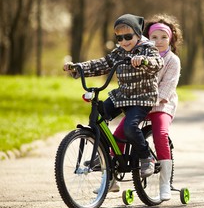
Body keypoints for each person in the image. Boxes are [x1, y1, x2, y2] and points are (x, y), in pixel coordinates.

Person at [63, 13, 164, 192]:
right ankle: (105, 158)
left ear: (138, 34)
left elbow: (158, 63)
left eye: (128, 36)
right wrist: (78, 67)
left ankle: (146, 156)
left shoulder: (148, 49)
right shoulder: (118, 52)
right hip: (122, 95)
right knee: (98, 117)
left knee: (130, 127)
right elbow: (102, 64)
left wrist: (144, 61)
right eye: (119, 37)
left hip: (142, 98)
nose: (124, 41)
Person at [113, 14, 183, 201]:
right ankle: (112, 175)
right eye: (154, 37)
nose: (159, 41)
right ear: (147, 38)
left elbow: (168, 86)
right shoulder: (139, 53)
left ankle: (164, 183)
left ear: (171, 39)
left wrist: (151, 100)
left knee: (161, 134)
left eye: (164, 37)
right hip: (140, 104)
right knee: (119, 134)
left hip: (161, 104)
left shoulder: (172, 60)